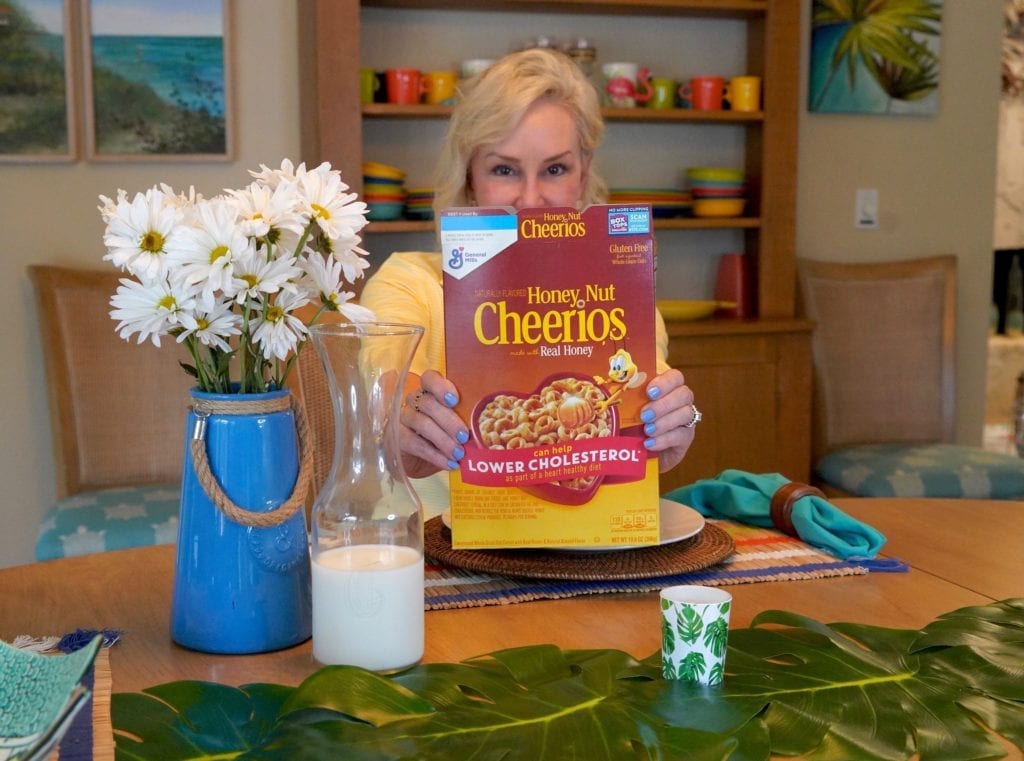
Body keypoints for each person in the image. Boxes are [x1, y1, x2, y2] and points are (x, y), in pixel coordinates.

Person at [360, 47, 699, 489]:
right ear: (469, 177)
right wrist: (398, 416)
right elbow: (380, 379)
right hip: (439, 547)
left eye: (555, 168)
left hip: (587, 549)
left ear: (583, 172)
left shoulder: (618, 296)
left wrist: (669, 423)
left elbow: (633, 407)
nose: (531, 200)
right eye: (505, 169)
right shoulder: (408, 282)